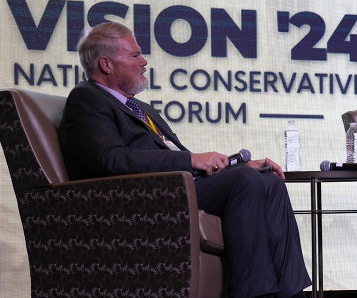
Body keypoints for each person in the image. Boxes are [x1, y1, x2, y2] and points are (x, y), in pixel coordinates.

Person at [58, 21, 311, 298]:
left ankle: (292, 294)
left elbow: (176, 157)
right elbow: (111, 159)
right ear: (106, 64)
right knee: (246, 181)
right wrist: (191, 160)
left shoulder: (141, 108)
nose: (144, 62)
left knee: (267, 181)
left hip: (182, 186)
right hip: (147, 197)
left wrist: (236, 164)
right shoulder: (87, 99)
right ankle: (255, 294)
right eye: (134, 55)